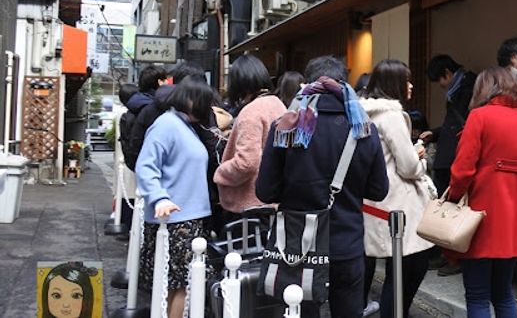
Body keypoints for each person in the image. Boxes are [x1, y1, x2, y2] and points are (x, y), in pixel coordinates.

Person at [256, 55, 389, 318]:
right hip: (347, 244)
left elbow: (265, 191)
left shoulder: (285, 128)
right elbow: (378, 190)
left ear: (306, 85)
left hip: (297, 246)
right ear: (345, 86)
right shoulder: (364, 130)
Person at [444, 66, 517, 318]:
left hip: (480, 216)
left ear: (483, 89)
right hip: (515, 219)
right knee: (503, 292)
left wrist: (452, 199)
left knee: (477, 295)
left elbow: (462, 170)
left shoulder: (480, 117)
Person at [136, 78, 216, 318]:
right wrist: (159, 198)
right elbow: (146, 166)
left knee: (178, 285)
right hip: (174, 219)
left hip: (184, 217)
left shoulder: (183, 125)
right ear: (191, 101)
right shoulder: (167, 125)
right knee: (179, 285)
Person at [360, 59, 434, 318]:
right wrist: (420, 155)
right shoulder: (391, 116)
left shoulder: (363, 113)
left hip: (373, 203)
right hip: (398, 206)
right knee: (406, 272)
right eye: (407, 80)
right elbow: (408, 167)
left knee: (395, 271)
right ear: (395, 84)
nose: (411, 85)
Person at [419, 54, 476, 276]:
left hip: (457, 157)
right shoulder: (458, 89)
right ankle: (446, 255)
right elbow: (451, 125)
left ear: (448, 73)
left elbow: (463, 125)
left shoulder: (468, 87)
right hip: (448, 155)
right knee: (445, 207)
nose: (441, 86)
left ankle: (456, 258)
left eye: (440, 80)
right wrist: (434, 132)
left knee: (455, 209)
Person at [214, 55, 286, 217]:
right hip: (273, 200)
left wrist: (220, 173)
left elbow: (247, 162)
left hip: (249, 205)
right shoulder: (277, 104)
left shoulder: (251, 112)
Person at [122, 65, 167, 170]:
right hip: (154, 165)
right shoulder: (155, 108)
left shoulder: (135, 104)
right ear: (159, 82)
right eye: (165, 80)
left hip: (138, 163)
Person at [116, 83, 139, 230]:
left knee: (127, 192)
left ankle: (123, 220)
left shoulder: (123, 113)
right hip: (128, 160)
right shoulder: (129, 114)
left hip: (123, 160)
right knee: (131, 192)